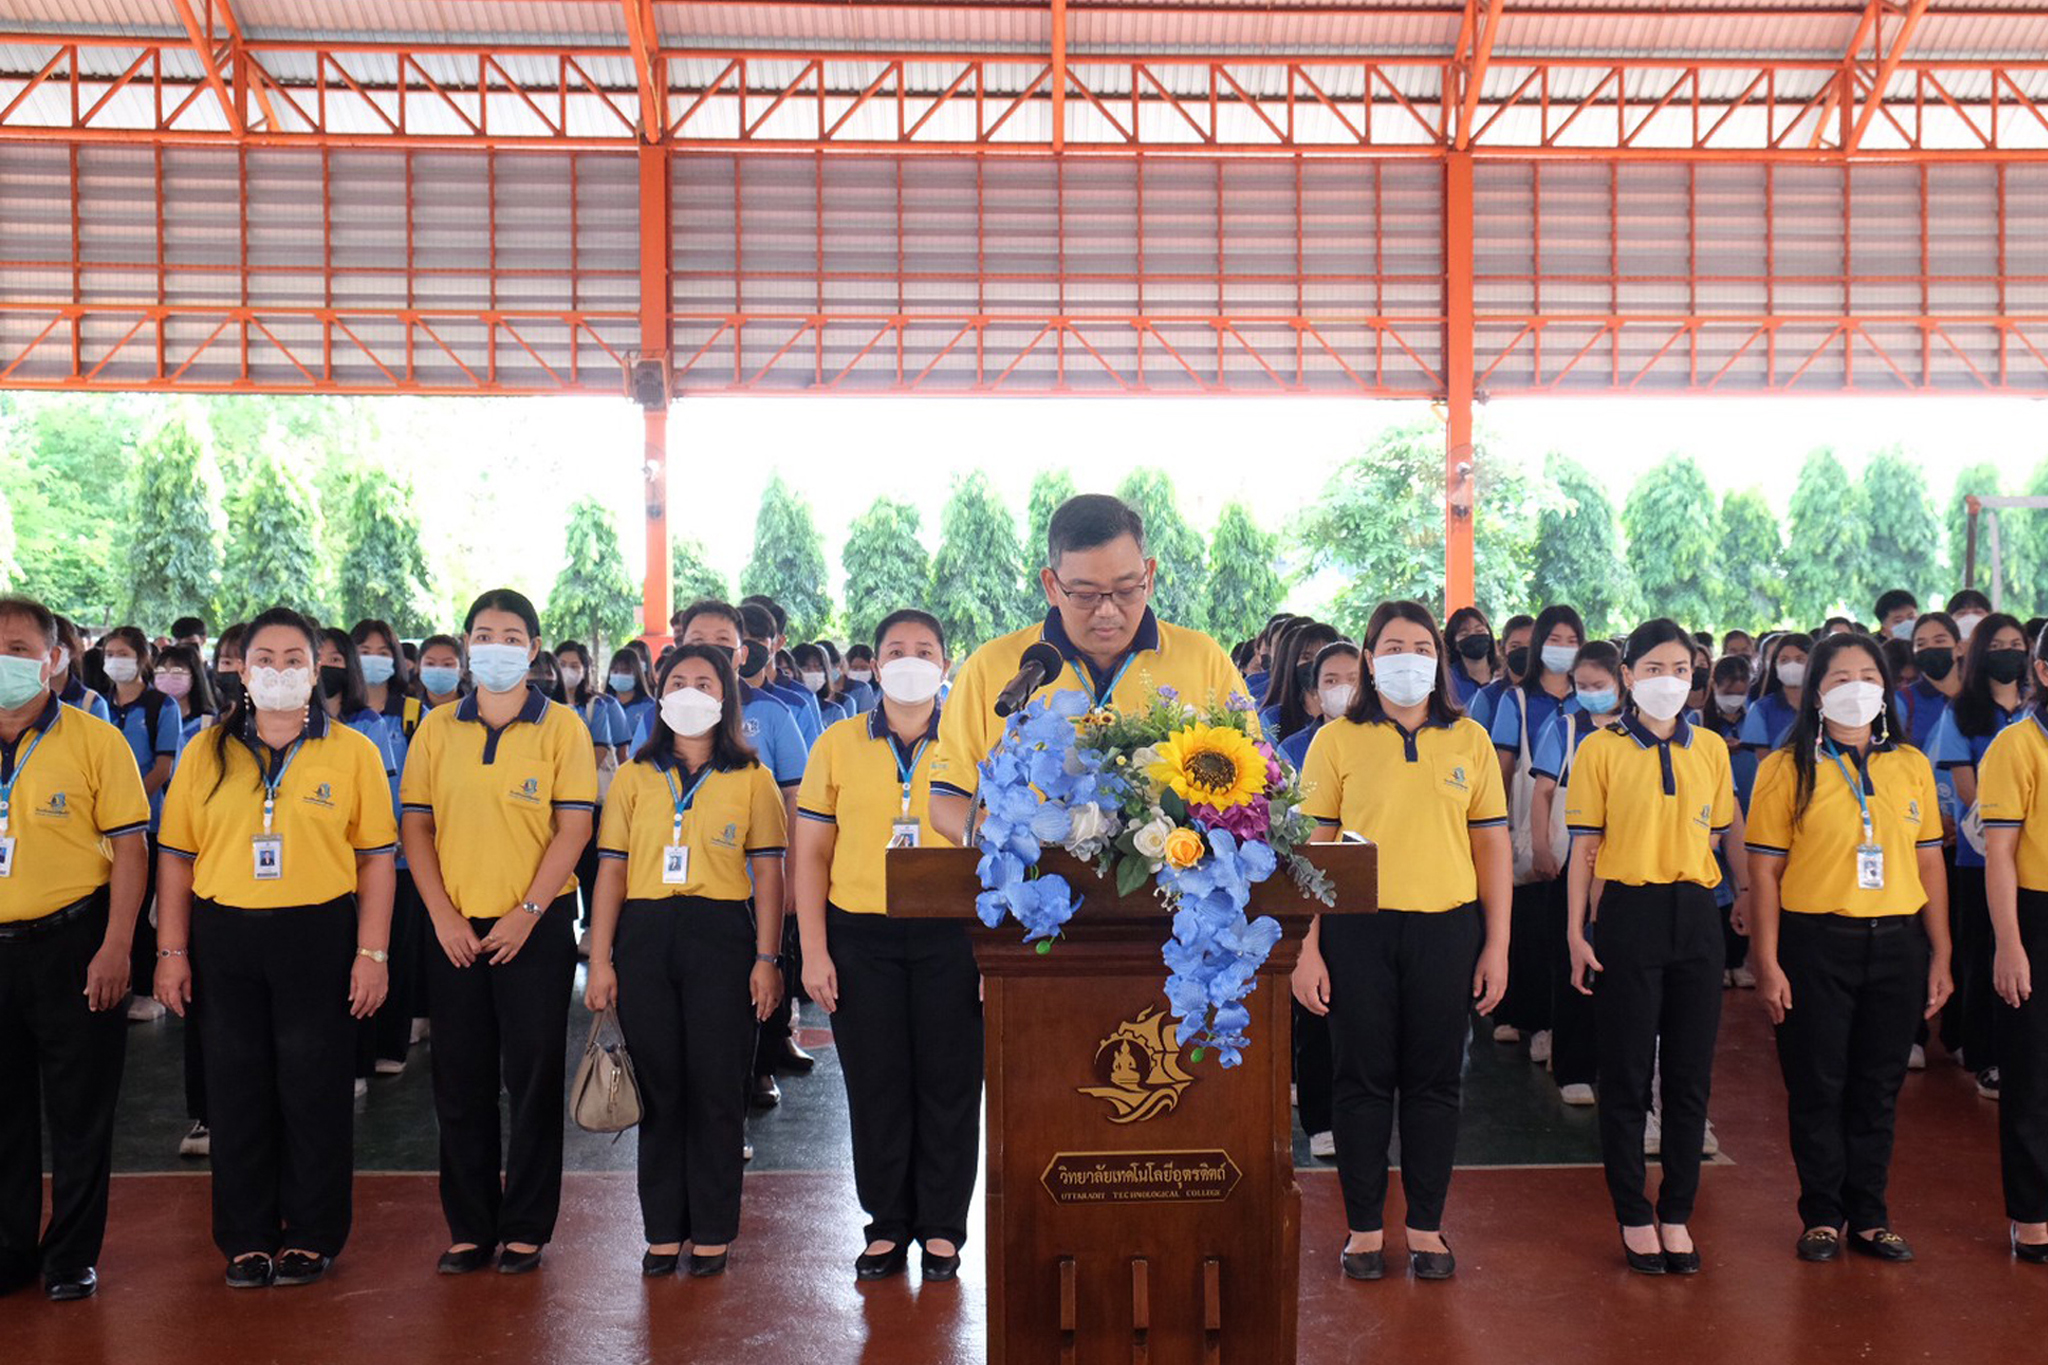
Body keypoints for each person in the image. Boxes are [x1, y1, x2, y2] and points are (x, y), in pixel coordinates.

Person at [152, 608, 397, 1289]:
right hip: (224, 934)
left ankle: (312, 1234)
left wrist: (371, 954)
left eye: (296, 659)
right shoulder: (205, 749)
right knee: (236, 1088)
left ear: (318, 671)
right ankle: (247, 1236)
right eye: (265, 657)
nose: (280, 670)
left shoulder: (352, 751)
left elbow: (377, 860)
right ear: (240, 667)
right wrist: (172, 950)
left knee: (314, 1087)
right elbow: (174, 858)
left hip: (317, 933)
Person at [1291, 599, 1511, 1282]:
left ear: (1439, 659)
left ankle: (1425, 1224)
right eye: (1392, 645)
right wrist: (1306, 949)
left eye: (1421, 646)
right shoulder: (1336, 741)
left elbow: (1493, 850)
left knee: (1435, 1082)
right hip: (1357, 931)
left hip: (1447, 929)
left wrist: (1497, 945)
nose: (1407, 658)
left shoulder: (1468, 739)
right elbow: (1306, 853)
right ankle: (1363, 1228)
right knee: (1359, 1079)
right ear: (1367, 657)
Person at [400, 589, 598, 1277]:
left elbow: (574, 826)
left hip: (533, 928)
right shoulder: (437, 728)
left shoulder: (562, 728)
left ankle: (526, 1227)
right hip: (453, 927)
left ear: (534, 648)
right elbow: (416, 826)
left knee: (534, 1075)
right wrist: (443, 915)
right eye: (483, 633)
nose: (496, 646)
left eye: (511, 635)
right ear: (465, 642)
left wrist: (529, 911)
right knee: (459, 1079)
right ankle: (470, 1224)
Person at [1745, 630, 1952, 1264]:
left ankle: (1869, 1213)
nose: (1855, 689)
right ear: (1815, 695)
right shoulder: (1785, 769)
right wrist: (1768, 961)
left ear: (1887, 691)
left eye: (1868, 677)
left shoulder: (1910, 765)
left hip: (1896, 943)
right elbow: (1764, 873)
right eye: (1839, 679)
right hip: (1815, 944)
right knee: (1817, 1084)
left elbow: (1931, 865)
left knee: (1877, 1084)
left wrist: (1941, 952)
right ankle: (1821, 1215)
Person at [583, 644, 786, 1279]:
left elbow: (770, 875)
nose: (691, 690)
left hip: (723, 936)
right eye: (678, 680)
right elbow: (610, 870)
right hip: (644, 937)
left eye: (705, 681)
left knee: (718, 1088)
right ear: (660, 692)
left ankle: (714, 1230)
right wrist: (601, 958)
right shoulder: (635, 777)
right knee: (661, 1087)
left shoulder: (752, 779)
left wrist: (768, 958)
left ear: (725, 698)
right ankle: (663, 1228)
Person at [794, 609, 982, 1284]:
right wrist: (813, 951)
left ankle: (942, 1226)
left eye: (924, 649)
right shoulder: (837, 743)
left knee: (950, 1083)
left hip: (952, 934)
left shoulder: (972, 744)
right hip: (859, 933)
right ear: (874, 665)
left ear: (945, 663)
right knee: (875, 1084)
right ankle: (887, 1224)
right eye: (895, 650)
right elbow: (811, 854)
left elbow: (998, 852)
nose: (909, 659)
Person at [1563, 620, 1738, 1275]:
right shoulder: (1600, 748)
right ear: (1629, 674)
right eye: (1655, 667)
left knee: (1690, 1075)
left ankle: (1678, 1211)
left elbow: (1717, 834)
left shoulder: (1712, 749)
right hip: (1627, 912)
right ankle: (1634, 1211)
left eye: (1682, 669)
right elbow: (1584, 849)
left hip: (1695, 913)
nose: (1670, 679)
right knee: (1628, 1073)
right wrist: (1577, 930)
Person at [928, 494, 1253, 846]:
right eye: (1085, 595)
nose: (1107, 611)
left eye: (1127, 590)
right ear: (1051, 586)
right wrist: (1014, 851)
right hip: (1036, 889)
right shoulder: (992, 667)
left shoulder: (1203, 659)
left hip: (1171, 890)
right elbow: (948, 800)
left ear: (1151, 575)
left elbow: (1258, 785)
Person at [0, 596, 150, 1302]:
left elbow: (130, 847)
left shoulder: (97, 739)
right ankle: (8, 1249)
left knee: (80, 1108)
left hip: (74, 940)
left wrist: (118, 944)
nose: (8, 659)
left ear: (56, 659)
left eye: (21, 646)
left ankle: (71, 1256)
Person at [1931, 612, 2031, 1099]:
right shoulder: (1964, 710)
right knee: (1982, 951)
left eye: (2017, 643)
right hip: (1981, 853)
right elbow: (1965, 783)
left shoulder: (2035, 708)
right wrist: (2004, 819)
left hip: (2035, 857)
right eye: (1998, 645)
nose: (2009, 652)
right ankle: (1983, 1051)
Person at [1528, 639, 1627, 1106]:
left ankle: (1616, 1062)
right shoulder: (1567, 727)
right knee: (1571, 960)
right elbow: (1543, 791)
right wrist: (1543, 845)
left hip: (1625, 862)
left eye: (1598, 685)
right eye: (1581, 685)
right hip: (1573, 857)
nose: (1589, 693)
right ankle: (1572, 1067)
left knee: (1617, 965)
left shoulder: (1636, 731)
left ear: (1622, 681)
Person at [1490, 605, 1586, 1063]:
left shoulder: (1590, 701)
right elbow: (1504, 767)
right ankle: (1530, 1020)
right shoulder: (1518, 700)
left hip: (1583, 833)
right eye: (1556, 639)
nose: (1563, 649)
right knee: (1530, 928)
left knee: (1568, 928)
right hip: (1529, 827)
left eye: (1572, 640)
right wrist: (1502, 826)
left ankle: (1562, 1025)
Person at [1979, 629, 2048, 1262]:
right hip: (2035, 913)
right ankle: (2031, 1216)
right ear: (2044, 671)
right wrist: (2010, 943)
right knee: (2032, 1072)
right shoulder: (2016, 745)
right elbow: (1999, 852)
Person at [351, 618, 427, 1077]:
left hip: (399, 854)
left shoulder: (413, 710)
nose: (374, 658)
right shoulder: (339, 713)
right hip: (347, 856)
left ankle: (391, 1044)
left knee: (394, 950)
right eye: (364, 649)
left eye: (383, 650)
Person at [99, 625, 186, 1017]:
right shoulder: (99, 704)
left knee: (144, 904)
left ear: (142, 659)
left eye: (123, 653)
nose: (115, 660)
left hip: (147, 822)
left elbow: (164, 766)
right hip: (101, 826)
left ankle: (149, 989)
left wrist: (128, 803)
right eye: (110, 653)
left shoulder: (159, 707)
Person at [1280, 641, 1361, 772]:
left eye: (1353, 680)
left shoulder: (1387, 739)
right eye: (1331, 681)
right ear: (1315, 691)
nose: (1343, 688)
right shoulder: (1292, 748)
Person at [1259, 621, 1340, 744]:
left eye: (1323, 656)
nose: (1316, 664)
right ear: (1293, 664)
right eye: (1307, 658)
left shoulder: (1355, 716)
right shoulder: (1273, 719)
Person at [1739, 632, 1813, 754]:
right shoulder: (1761, 709)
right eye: (1784, 660)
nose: (1791, 665)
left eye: (1800, 659)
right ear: (1775, 665)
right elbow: (1764, 763)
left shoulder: (1825, 706)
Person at [1468, 614, 1535, 733]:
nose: (1524, 651)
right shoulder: (1487, 697)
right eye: (1515, 646)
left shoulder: (1551, 695)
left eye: (1531, 645)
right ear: (1503, 651)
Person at [154, 643, 218, 745]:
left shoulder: (207, 722)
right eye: (161, 671)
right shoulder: (150, 717)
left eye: (176, 671)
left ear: (194, 676)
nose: (167, 676)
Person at [51, 616, 111, 723]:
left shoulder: (92, 703)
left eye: (58, 644)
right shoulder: (21, 698)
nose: (50, 654)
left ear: (73, 650)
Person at [1444, 606, 1500, 712]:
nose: (1474, 636)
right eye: (1464, 634)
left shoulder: (1503, 673)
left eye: (1479, 631)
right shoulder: (1447, 679)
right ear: (1454, 643)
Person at [416, 636, 466, 710]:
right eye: (430, 663)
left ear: (461, 670)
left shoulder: (478, 710)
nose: (438, 670)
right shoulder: (407, 710)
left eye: (447, 664)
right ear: (419, 668)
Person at [841, 644, 879, 712]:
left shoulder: (880, 691)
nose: (859, 672)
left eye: (864, 668)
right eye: (854, 668)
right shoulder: (842, 690)